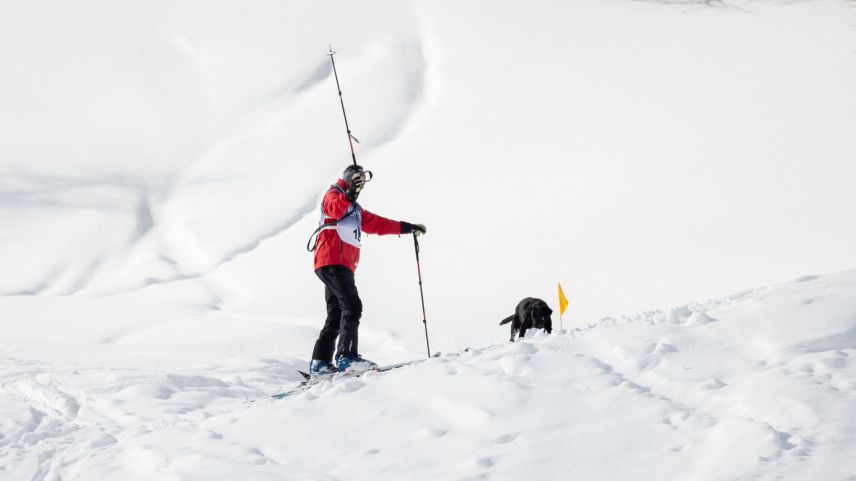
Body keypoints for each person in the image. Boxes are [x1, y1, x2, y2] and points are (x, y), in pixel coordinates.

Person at [309, 164, 426, 375]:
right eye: (356, 179)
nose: (360, 183)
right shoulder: (333, 194)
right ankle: (346, 357)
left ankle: (320, 362)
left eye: (362, 179)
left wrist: (407, 227)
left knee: (336, 313)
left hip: (336, 262)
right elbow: (334, 208)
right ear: (347, 179)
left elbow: (378, 224)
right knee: (352, 306)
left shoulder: (355, 209)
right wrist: (350, 192)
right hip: (334, 258)